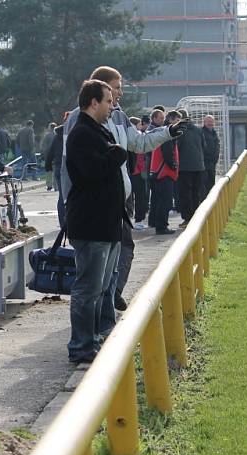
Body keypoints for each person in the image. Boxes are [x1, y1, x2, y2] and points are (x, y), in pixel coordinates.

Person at [61, 66, 185, 324]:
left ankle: (106, 321)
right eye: (116, 88)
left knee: (115, 263)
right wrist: (68, 203)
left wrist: (167, 133)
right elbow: (71, 165)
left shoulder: (118, 116)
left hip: (116, 203)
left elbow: (138, 143)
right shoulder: (78, 121)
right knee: (93, 277)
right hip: (92, 208)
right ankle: (89, 337)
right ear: (101, 89)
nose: (120, 93)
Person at [65, 79, 128, 364]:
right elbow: (92, 173)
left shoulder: (96, 131)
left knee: (101, 288)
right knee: (88, 289)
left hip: (106, 224)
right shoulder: (81, 134)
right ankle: (81, 346)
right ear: (94, 102)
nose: (112, 106)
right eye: (109, 101)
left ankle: (96, 338)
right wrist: (115, 155)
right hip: (92, 225)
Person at [149, 110, 183, 235]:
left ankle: (158, 224)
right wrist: (173, 165)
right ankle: (161, 226)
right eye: (178, 120)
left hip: (159, 171)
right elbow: (167, 151)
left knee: (159, 200)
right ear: (172, 119)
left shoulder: (164, 131)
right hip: (164, 172)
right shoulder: (168, 133)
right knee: (166, 201)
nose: (179, 123)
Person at [175, 108, 205, 228]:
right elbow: (204, 145)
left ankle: (188, 219)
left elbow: (177, 148)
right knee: (196, 193)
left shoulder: (181, 130)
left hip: (185, 167)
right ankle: (196, 218)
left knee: (185, 194)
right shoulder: (198, 130)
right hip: (199, 166)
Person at [45, 118, 66, 228]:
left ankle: (62, 223)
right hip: (68, 167)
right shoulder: (73, 133)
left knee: (62, 196)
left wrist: (48, 165)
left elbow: (51, 151)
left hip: (58, 166)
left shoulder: (58, 136)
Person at [201, 115, 220, 199]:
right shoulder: (201, 133)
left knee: (211, 183)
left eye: (212, 122)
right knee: (204, 185)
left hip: (212, 163)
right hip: (204, 163)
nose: (210, 123)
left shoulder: (214, 133)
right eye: (208, 122)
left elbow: (217, 146)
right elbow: (202, 148)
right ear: (204, 122)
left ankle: (211, 201)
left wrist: (215, 159)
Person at [40, 122, 57, 190]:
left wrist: (43, 153)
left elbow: (44, 146)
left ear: (50, 128)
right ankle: (56, 186)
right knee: (55, 170)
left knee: (49, 171)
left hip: (48, 155)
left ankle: (49, 185)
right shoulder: (57, 135)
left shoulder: (47, 135)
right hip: (55, 155)